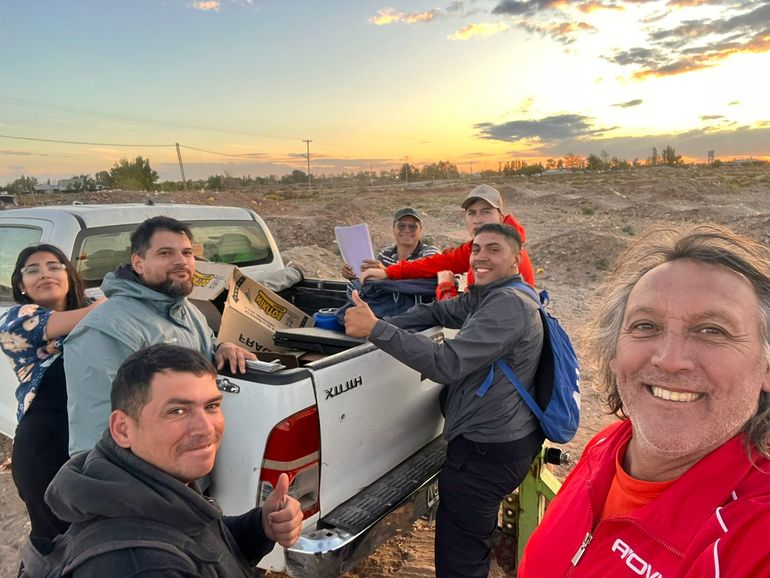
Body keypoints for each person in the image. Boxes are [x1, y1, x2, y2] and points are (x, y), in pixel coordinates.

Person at [519, 223, 770, 578]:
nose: (669, 359)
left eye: (712, 330)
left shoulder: (754, 534)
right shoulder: (607, 448)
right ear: (614, 353)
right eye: (646, 326)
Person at [345, 223, 545, 578]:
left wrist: (377, 330)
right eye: (476, 249)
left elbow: (447, 362)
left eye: (493, 249)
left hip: (487, 452)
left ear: (516, 259)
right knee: (470, 537)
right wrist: (385, 320)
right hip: (498, 440)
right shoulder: (489, 295)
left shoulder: (509, 306)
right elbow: (439, 312)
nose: (481, 257)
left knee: (459, 559)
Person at [45, 343, 303, 577]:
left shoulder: (150, 482)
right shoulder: (141, 566)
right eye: (177, 411)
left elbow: (200, 542)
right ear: (122, 429)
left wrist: (260, 527)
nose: (205, 428)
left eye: (211, 406)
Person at [64, 216, 256, 455]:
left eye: (187, 253)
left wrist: (223, 346)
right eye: (165, 253)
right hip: (145, 481)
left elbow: (201, 352)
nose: (181, 262)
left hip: (188, 469)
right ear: (138, 263)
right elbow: (95, 431)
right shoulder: (106, 331)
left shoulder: (185, 309)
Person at [0, 244, 105, 551]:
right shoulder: (16, 320)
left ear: (69, 274)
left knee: (98, 542)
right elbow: (97, 314)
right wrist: (124, 291)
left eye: (54, 266)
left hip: (95, 444)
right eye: (32, 270)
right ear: (21, 285)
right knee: (57, 545)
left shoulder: (95, 305)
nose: (44, 273)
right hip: (45, 447)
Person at [360, 185, 535, 300]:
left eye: (486, 212)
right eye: (472, 213)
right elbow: (437, 263)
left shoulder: (505, 257)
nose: (478, 220)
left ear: (501, 217)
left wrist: (445, 286)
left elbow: (471, 318)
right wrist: (389, 272)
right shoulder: (477, 248)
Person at [340, 207, 439, 280]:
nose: (407, 230)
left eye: (413, 227)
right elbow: (372, 284)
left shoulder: (430, 253)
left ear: (421, 230)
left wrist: (386, 272)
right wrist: (353, 275)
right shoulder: (385, 255)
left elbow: (425, 279)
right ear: (393, 229)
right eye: (401, 226)